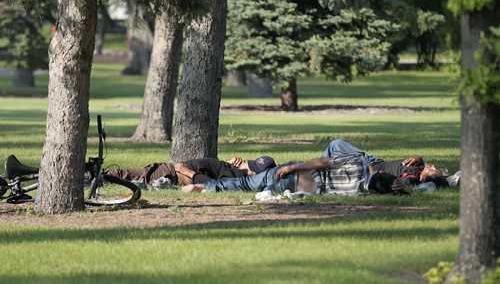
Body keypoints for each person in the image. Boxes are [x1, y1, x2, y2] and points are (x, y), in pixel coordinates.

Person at [182, 139, 448, 194]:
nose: (436, 166)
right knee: (253, 182)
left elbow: (325, 161)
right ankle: (206, 186)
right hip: (310, 182)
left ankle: (204, 185)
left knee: (254, 181)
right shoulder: (418, 166)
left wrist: (296, 166)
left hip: (302, 176)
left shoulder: (415, 180)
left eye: (437, 171)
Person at [104, 156, 276, 189]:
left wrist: (185, 170)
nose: (246, 165)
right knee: (123, 174)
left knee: (121, 175)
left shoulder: (237, 177)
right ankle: (91, 175)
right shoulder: (237, 171)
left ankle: (90, 176)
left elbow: (211, 184)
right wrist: (229, 163)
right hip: (171, 170)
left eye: (251, 167)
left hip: (172, 172)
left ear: (255, 174)